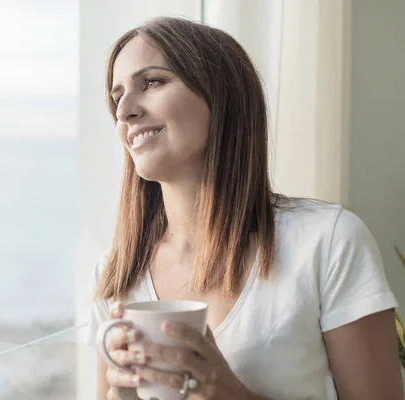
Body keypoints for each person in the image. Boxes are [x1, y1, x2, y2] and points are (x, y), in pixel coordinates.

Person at [84, 16, 403, 400]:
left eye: (152, 82)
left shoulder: (328, 242)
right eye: (117, 96)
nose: (124, 112)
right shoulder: (118, 271)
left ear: (221, 96)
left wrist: (229, 393)